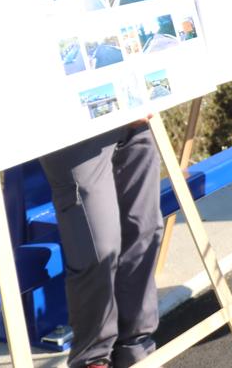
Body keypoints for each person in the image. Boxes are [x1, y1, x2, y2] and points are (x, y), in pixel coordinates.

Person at [40, 122, 161, 368]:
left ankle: (136, 351)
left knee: (145, 232)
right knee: (99, 250)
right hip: (73, 126)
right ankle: (93, 359)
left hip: (132, 116)